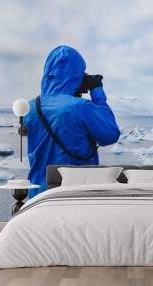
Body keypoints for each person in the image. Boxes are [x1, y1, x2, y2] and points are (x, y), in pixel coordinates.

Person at [24, 45, 120, 198]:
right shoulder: (80, 107)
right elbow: (110, 135)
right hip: (76, 194)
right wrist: (97, 91)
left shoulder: (29, 107)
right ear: (76, 76)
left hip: (39, 193)